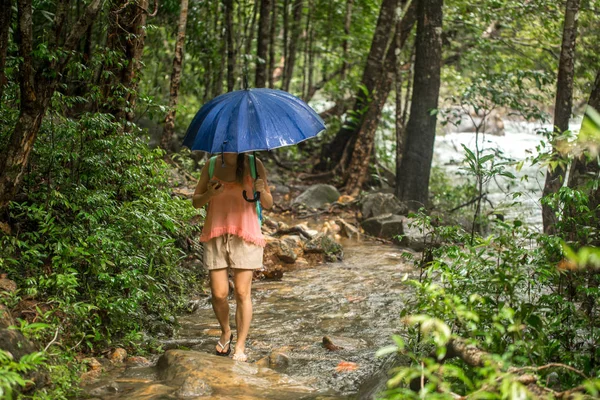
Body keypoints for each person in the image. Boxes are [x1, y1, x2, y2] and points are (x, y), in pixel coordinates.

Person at [192, 152, 273, 362]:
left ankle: (240, 345)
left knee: (241, 292)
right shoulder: (211, 165)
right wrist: (209, 194)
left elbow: (268, 204)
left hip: (245, 235)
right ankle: (226, 331)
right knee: (219, 294)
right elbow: (196, 202)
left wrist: (261, 190)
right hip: (215, 233)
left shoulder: (254, 164)